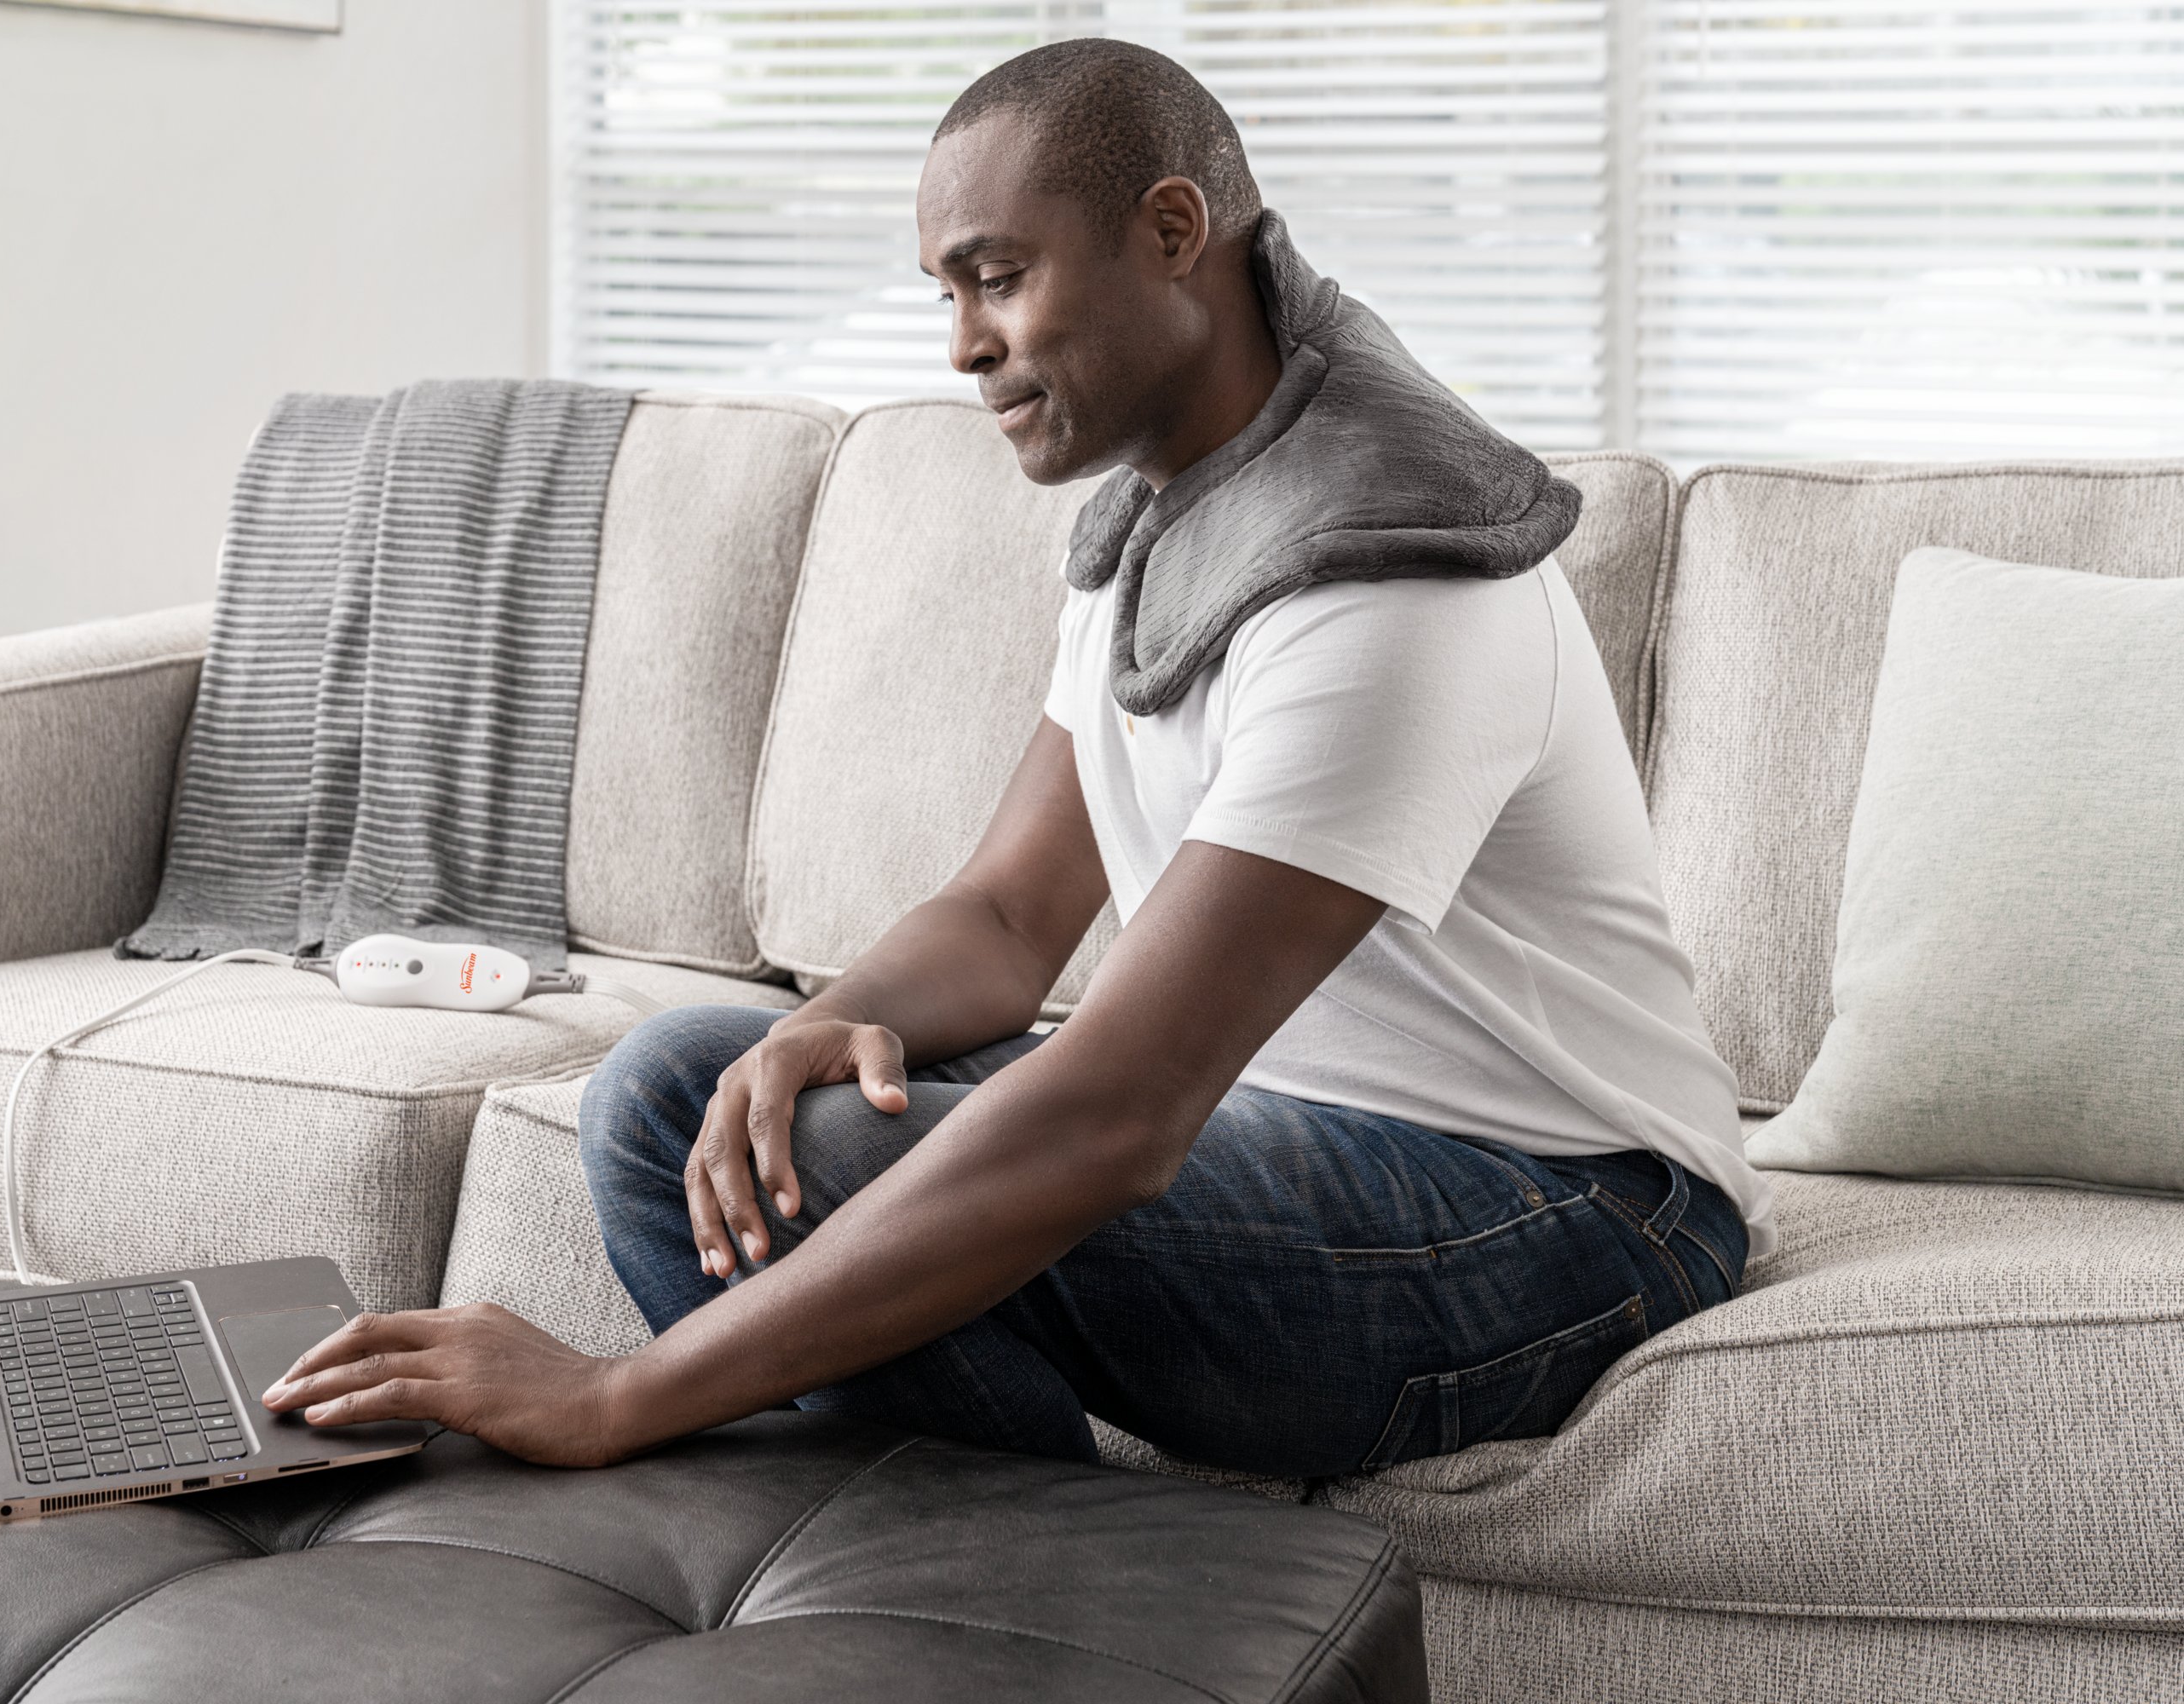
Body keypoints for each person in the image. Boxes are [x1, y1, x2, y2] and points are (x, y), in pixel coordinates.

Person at [265, 39, 1772, 1477]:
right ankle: (983, 1571)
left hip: (1578, 1213)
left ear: (1170, 231)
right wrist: (832, 1016)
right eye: (948, 291)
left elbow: (1123, 1108)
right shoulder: (1162, 523)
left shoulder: (1391, 569)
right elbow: (1004, 917)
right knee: (682, 1091)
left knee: (850, 1164)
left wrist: (620, 1397)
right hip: (1297, 1130)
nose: (966, 344)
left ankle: (1010, 1601)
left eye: (998, 278)